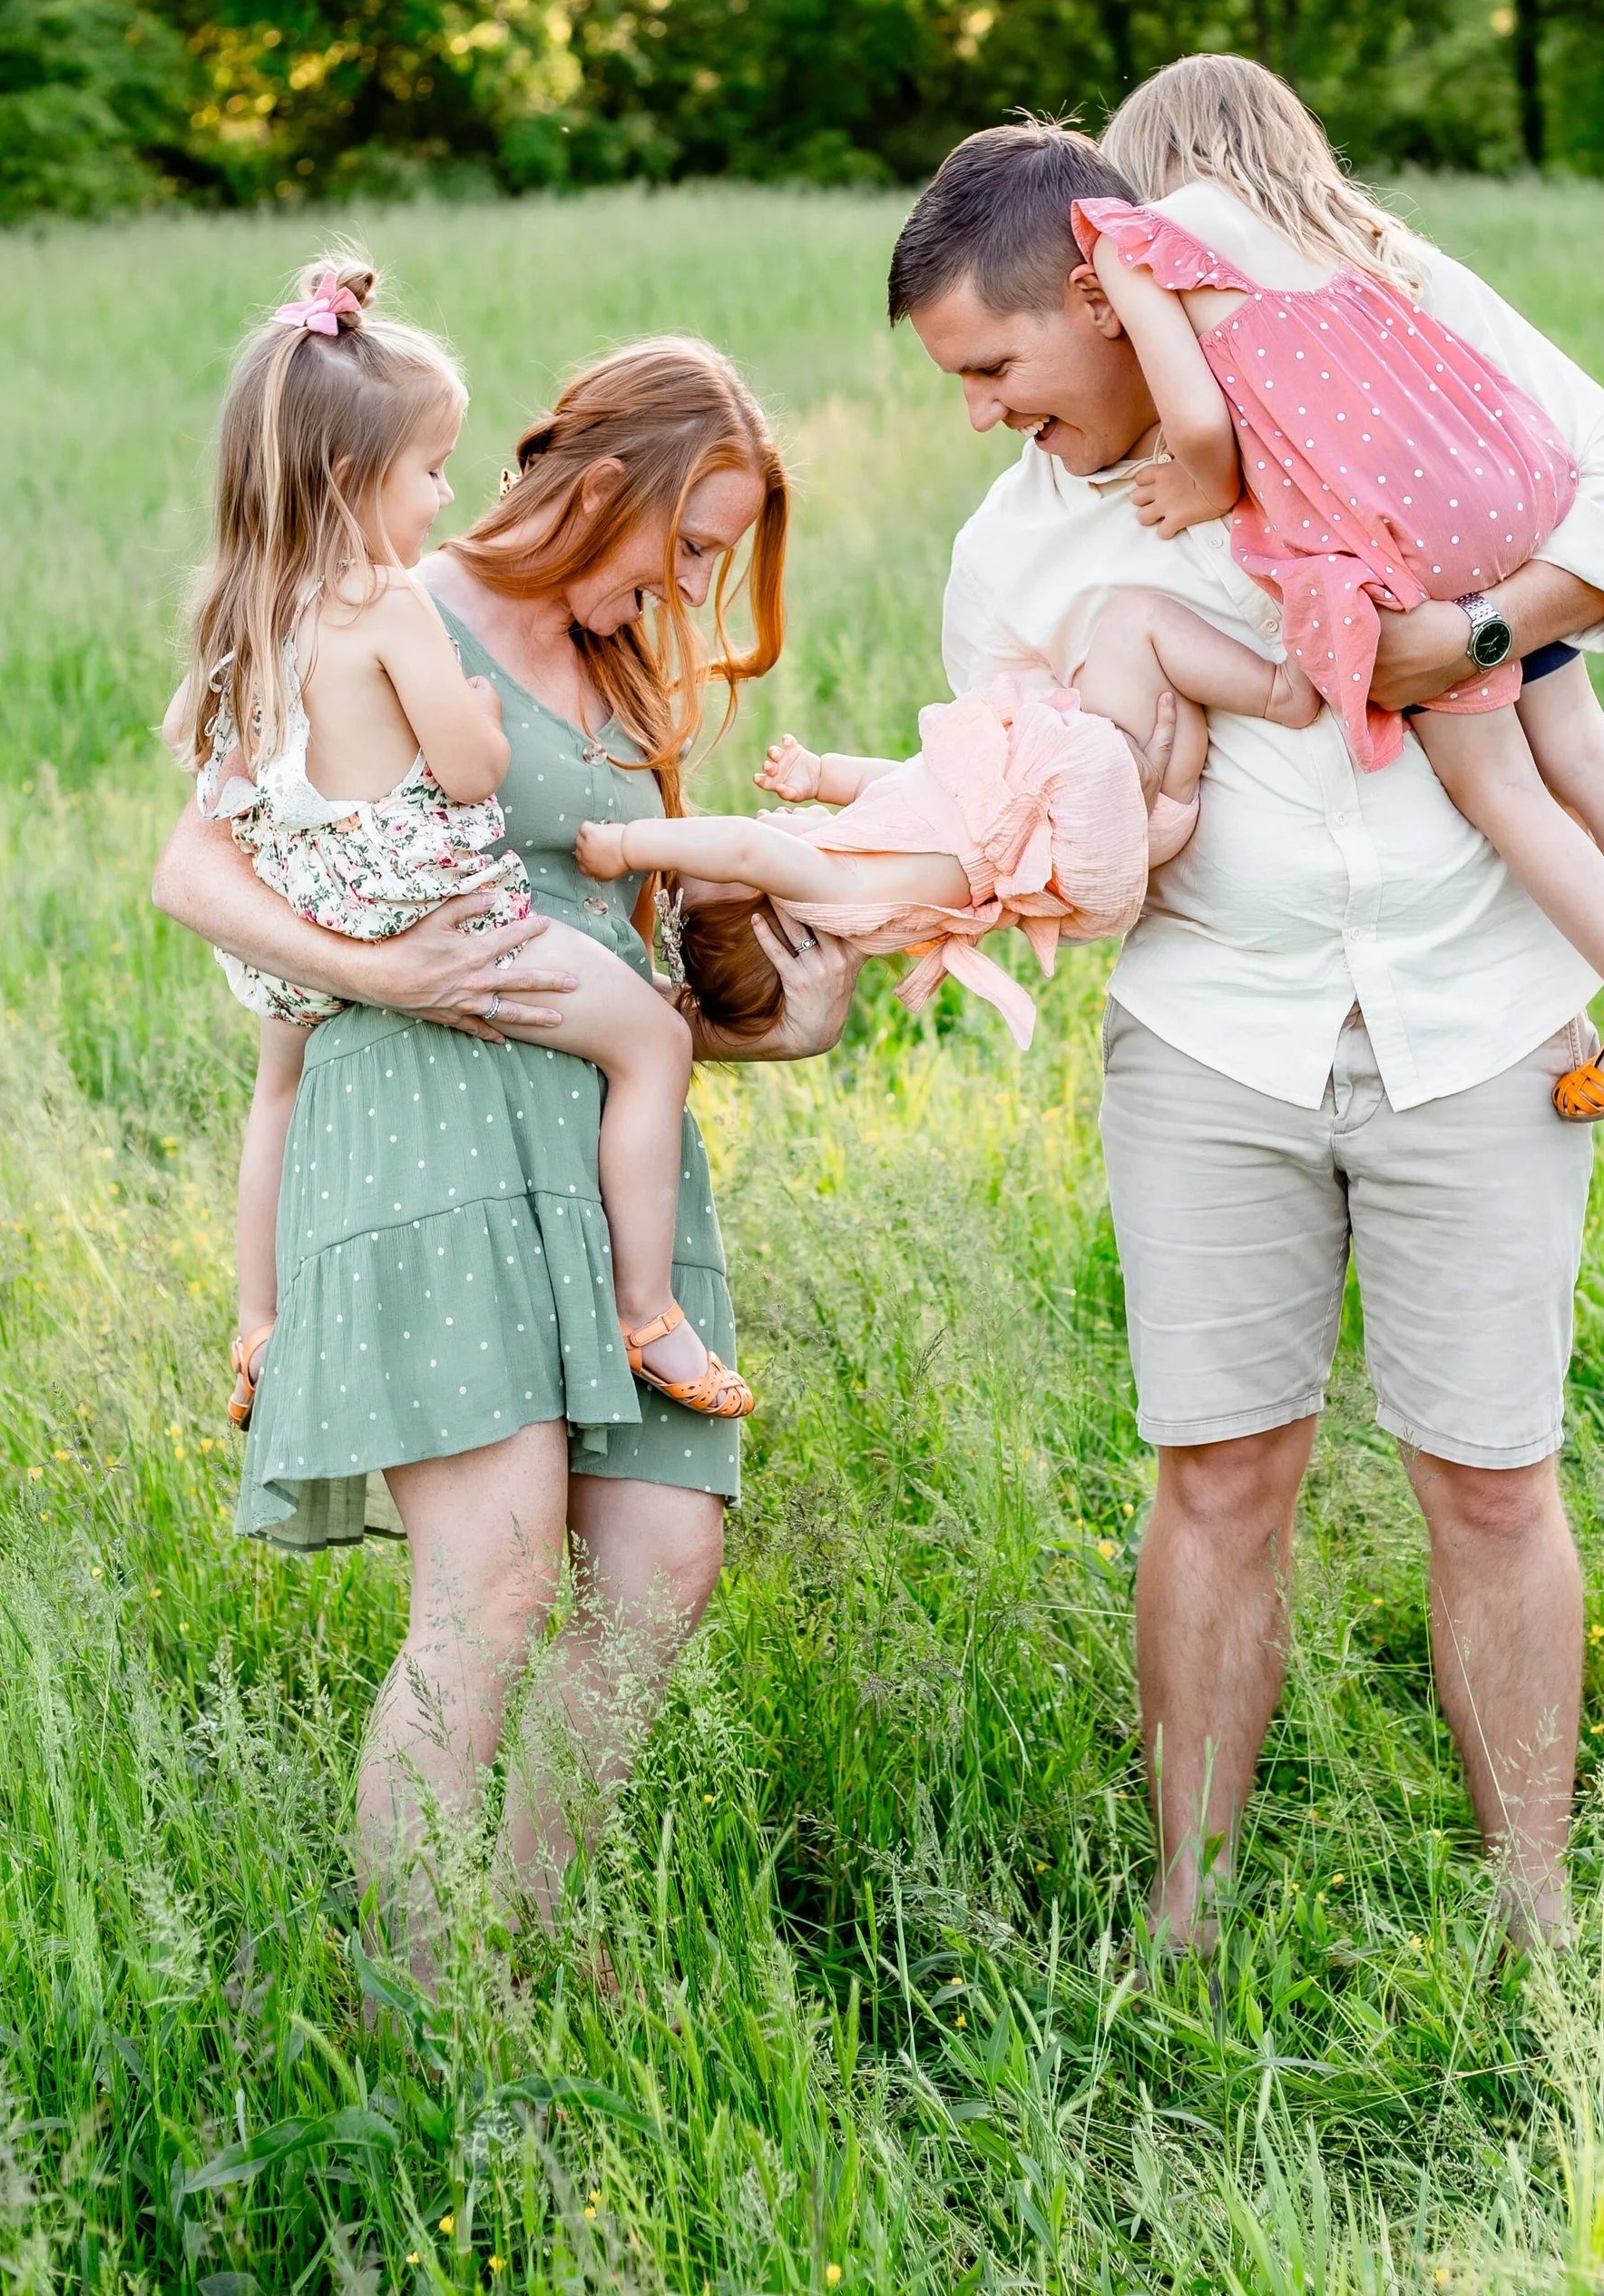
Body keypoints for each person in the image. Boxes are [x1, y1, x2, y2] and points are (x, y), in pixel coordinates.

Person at [889, 107, 1604, 1949]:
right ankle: (1184, 1903)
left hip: (1477, 1018)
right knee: (1217, 1471)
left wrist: (1463, 641)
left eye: (994, 367)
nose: (979, 411)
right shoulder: (1007, 560)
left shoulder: (1371, 331)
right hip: (1206, 1044)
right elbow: (1032, 834)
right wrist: (992, 853)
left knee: (1490, 1476)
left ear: (1107, 292)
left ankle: (1534, 1917)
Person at [150, 333, 860, 1983]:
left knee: (666, 1562)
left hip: (607, 1160)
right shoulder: (393, 593)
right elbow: (198, 862)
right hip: (427, 1132)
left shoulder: (622, 676)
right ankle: (431, 1992)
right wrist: (384, 975)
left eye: (721, 561)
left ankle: (531, 1928)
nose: (694, 587)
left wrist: (774, 1029)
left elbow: (611, 958)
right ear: (602, 487)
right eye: (685, 544)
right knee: (494, 1584)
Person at [1073, 55, 1604, 1117]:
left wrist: (1196, 490)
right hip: (1512, 491)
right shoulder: (1361, 245)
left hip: (1405, 537)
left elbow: (1204, 430)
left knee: (1502, 787)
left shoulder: (1146, 240)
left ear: (1150, 166)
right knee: (1582, 749)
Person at [175, 254, 749, 1433]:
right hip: (433, 902)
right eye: (429, 469)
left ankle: (258, 1320)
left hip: (320, 899)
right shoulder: (395, 602)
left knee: (274, 1089)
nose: (445, 494)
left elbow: (217, 763)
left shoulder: (246, 607)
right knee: (647, 1042)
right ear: (354, 477)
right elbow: (470, 770)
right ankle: (647, 1307)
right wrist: (473, 726)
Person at [584, 598, 1315, 1050]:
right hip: (1085, 806)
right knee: (1133, 623)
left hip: (1122, 826)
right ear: (767, 902)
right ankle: (1283, 690)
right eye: (728, 865)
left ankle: (1207, 729)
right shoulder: (825, 892)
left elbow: (911, 791)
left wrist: (824, 775)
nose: (754, 824)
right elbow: (746, 844)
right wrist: (627, 847)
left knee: (1147, 694)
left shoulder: (860, 886)